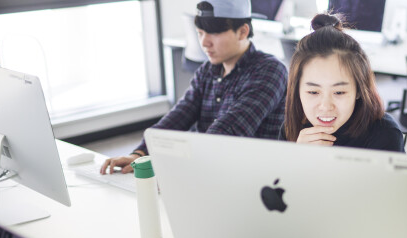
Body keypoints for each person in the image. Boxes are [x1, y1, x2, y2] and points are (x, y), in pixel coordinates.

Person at [101, 0, 287, 174]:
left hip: (254, 176)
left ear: (243, 31)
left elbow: (229, 130)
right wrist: (140, 153)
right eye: (200, 33)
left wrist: (177, 161)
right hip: (209, 169)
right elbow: (179, 116)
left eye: (213, 33)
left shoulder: (271, 71)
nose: (204, 42)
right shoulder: (208, 70)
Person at [280, 13, 403, 152]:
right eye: (313, 92)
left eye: (339, 92)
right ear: (297, 91)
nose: (326, 106)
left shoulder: (385, 134)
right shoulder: (292, 128)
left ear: (358, 90)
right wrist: (297, 157)